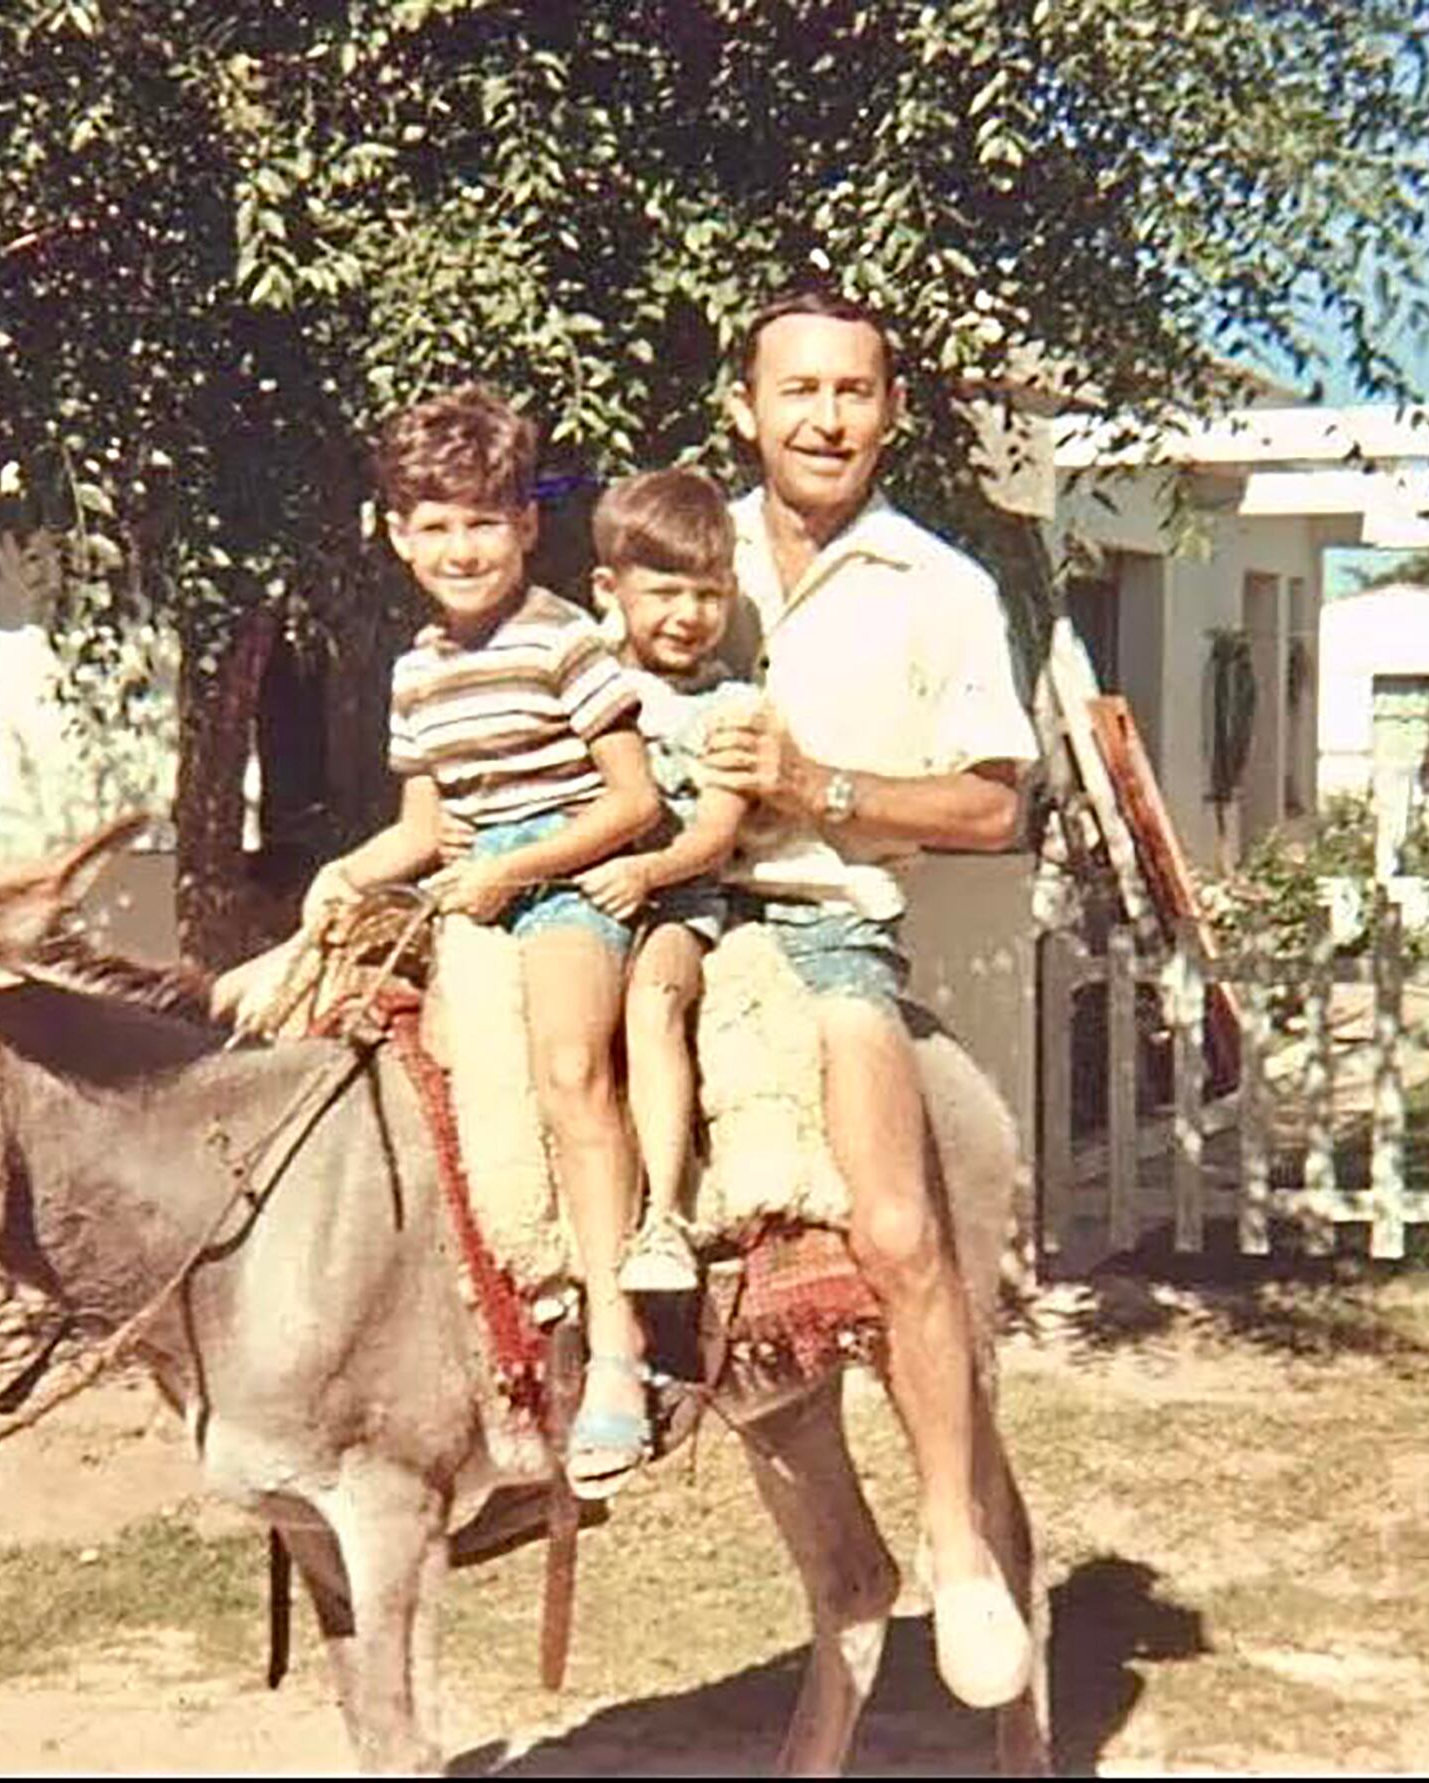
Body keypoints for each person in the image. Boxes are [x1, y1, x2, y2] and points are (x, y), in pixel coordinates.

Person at [701, 287, 1042, 1709]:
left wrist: (818, 789)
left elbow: (992, 802)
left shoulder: (944, 586)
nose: (825, 417)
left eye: (854, 391)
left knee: (899, 1227)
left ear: (890, 413)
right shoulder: (676, 549)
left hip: (829, 925)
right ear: (746, 407)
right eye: (798, 390)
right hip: (670, 914)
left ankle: (956, 1539)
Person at [303, 384, 664, 1502]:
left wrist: (517, 868)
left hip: (566, 880)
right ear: (399, 535)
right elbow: (423, 826)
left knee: (567, 1067)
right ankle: (493, 1338)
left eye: (483, 521)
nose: (461, 548)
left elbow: (635, 804)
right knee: (441, 1087)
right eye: (435, 525)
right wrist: (343, 873)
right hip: (472, 889)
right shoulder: (415, 673)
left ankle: (617, 1340)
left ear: (524, 524)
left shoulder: (564, 642)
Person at [572, 468, 757, 1294]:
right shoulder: (579, 684)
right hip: (581, 892)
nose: (689, 615)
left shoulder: (730, 706)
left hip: (678, 899)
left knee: (654, 1002)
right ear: (610, 588)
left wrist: (647, 868)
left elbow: (716, 833)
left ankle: (663, 1219)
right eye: (666, 591)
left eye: (709, 594)